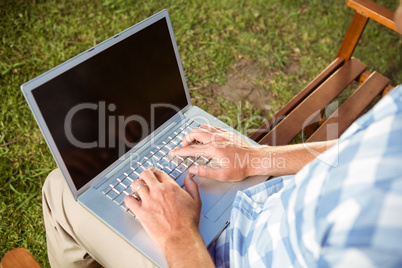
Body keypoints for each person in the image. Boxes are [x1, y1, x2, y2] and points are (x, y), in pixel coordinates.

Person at [42, 3, 402, 268]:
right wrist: (257, 158)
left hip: (214, 255)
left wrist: (179, 235)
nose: (397, 9)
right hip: (262, 204)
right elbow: (355, 151)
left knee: (60, 189)